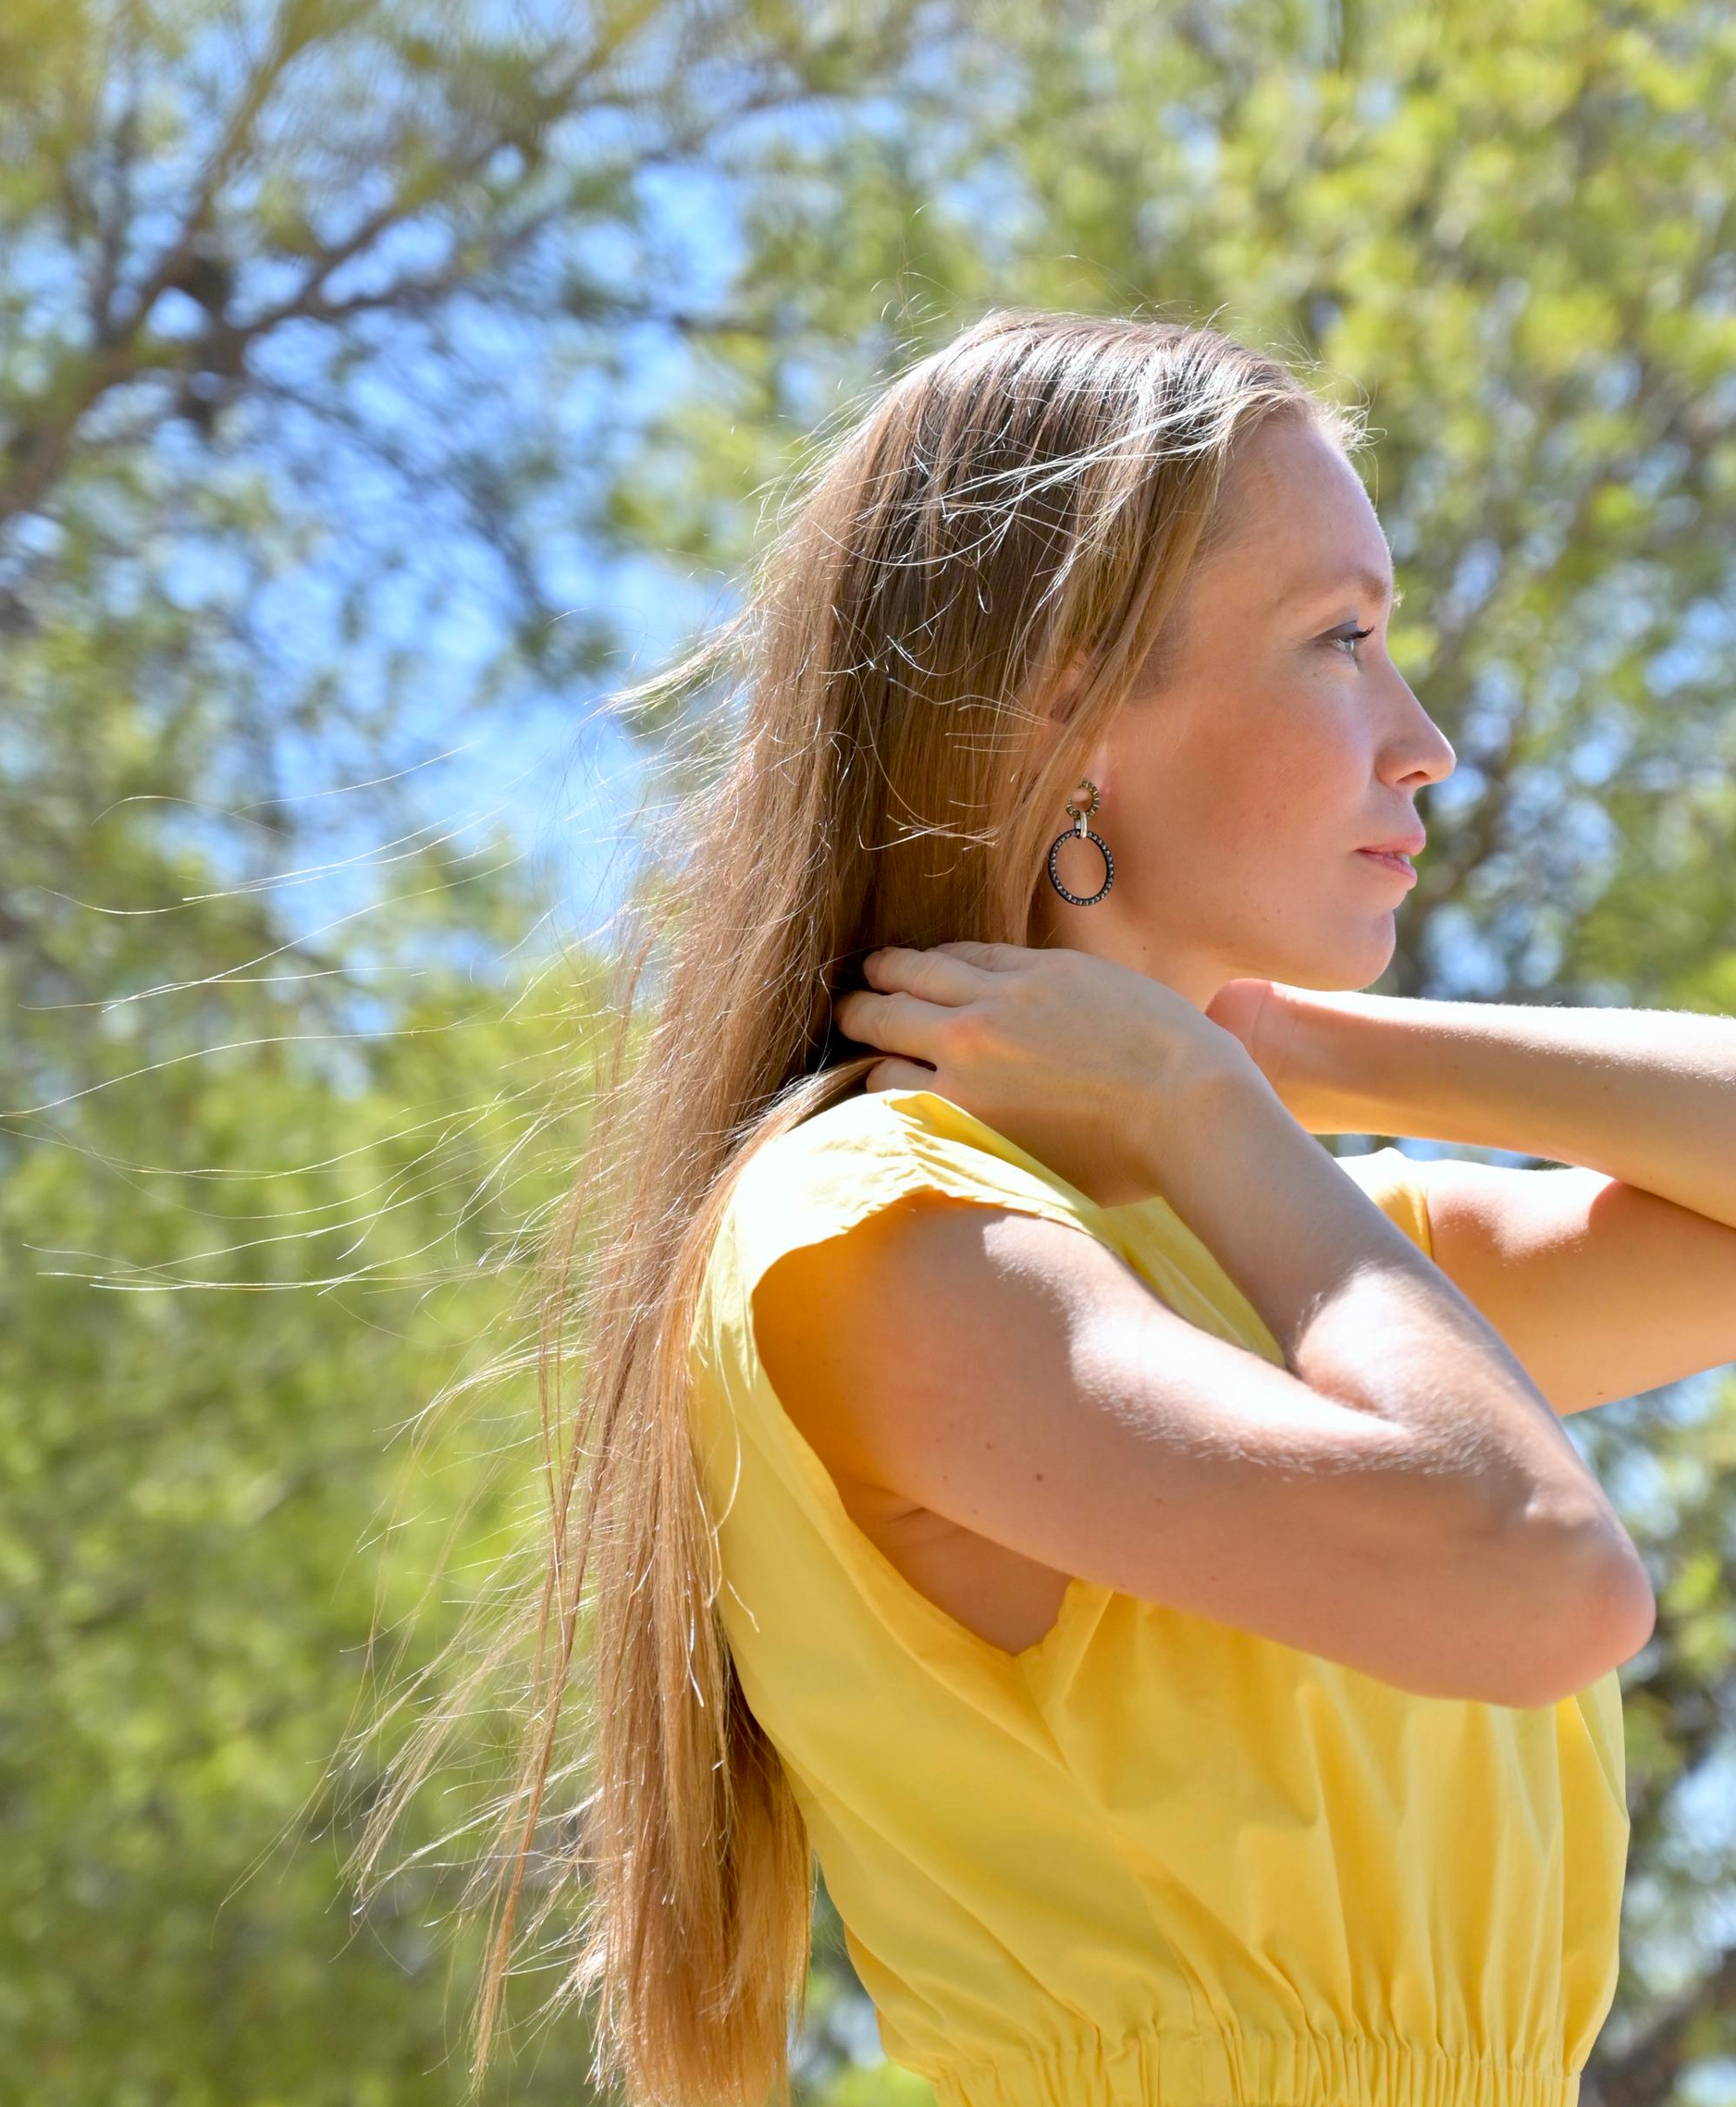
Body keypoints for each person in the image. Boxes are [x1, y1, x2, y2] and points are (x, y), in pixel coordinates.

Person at [377, 306, 1653, 2107]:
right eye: (1342, 637)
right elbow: (1545, 1578)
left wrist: (1282, 1065)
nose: (1423, 737)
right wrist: (1216, 1108)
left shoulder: (1253, 1244)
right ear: (1067, 699)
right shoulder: (882, 1226)